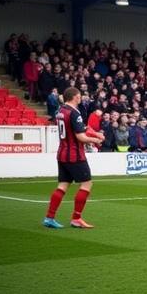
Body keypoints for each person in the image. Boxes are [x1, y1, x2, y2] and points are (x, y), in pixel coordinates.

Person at [43, 86, 105, 229]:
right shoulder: (75, 113)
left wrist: (95, 134)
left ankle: (49, 217)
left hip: (62, 154)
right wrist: (96, 141)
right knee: (87, 184)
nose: (81, 97)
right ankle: (76, 218)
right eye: (80, 95)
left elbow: (81, 127)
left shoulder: (60, 111)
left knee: (63, 185)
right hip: (75, 155)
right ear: (75, 97)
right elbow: (80, 136)